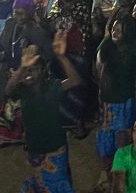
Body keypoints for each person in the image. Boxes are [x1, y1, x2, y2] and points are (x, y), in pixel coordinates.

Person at [7, 31, 84, 193]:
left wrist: (61, 57)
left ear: (44, 72)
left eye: (34, 69)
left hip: (54, 148)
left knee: (57, 186)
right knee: (42, 185)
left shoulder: (52, 87)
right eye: (27, 70)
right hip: (35, 148)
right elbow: (8, 90)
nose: (29, 73)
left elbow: (75, 81)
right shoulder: (23, 90)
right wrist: (22, 67)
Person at [95, 15, 136, 168]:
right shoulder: (106, 48)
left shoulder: (135, 51)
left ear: (128, 32)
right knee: (105, 140)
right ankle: (106, 171)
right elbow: (98, 71)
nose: (114, 32)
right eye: (114, 29)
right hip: (106, 102)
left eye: (119, 30)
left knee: (122, 140)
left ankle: (121, 170)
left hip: (124, 102)